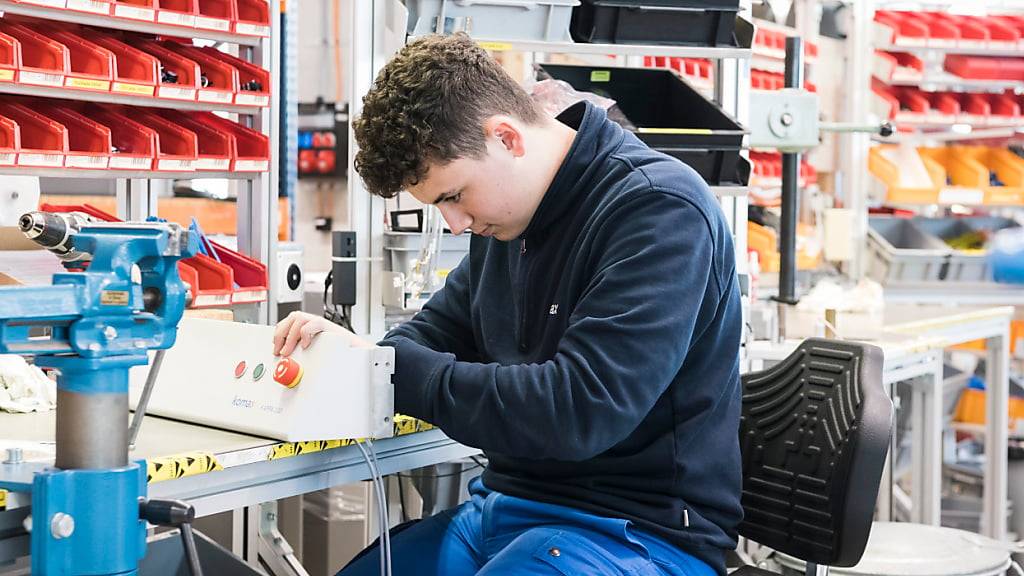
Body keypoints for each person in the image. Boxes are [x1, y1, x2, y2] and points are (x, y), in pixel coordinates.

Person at [273, 33, 743, 576]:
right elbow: (426, 337)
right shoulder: (505, 222)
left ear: (506, 138)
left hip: (638, 535)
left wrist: (393, 370)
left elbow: (578, 410)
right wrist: (364, 359)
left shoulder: (658, 209)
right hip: (504, 512)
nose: (455, 223)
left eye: (452, 195)